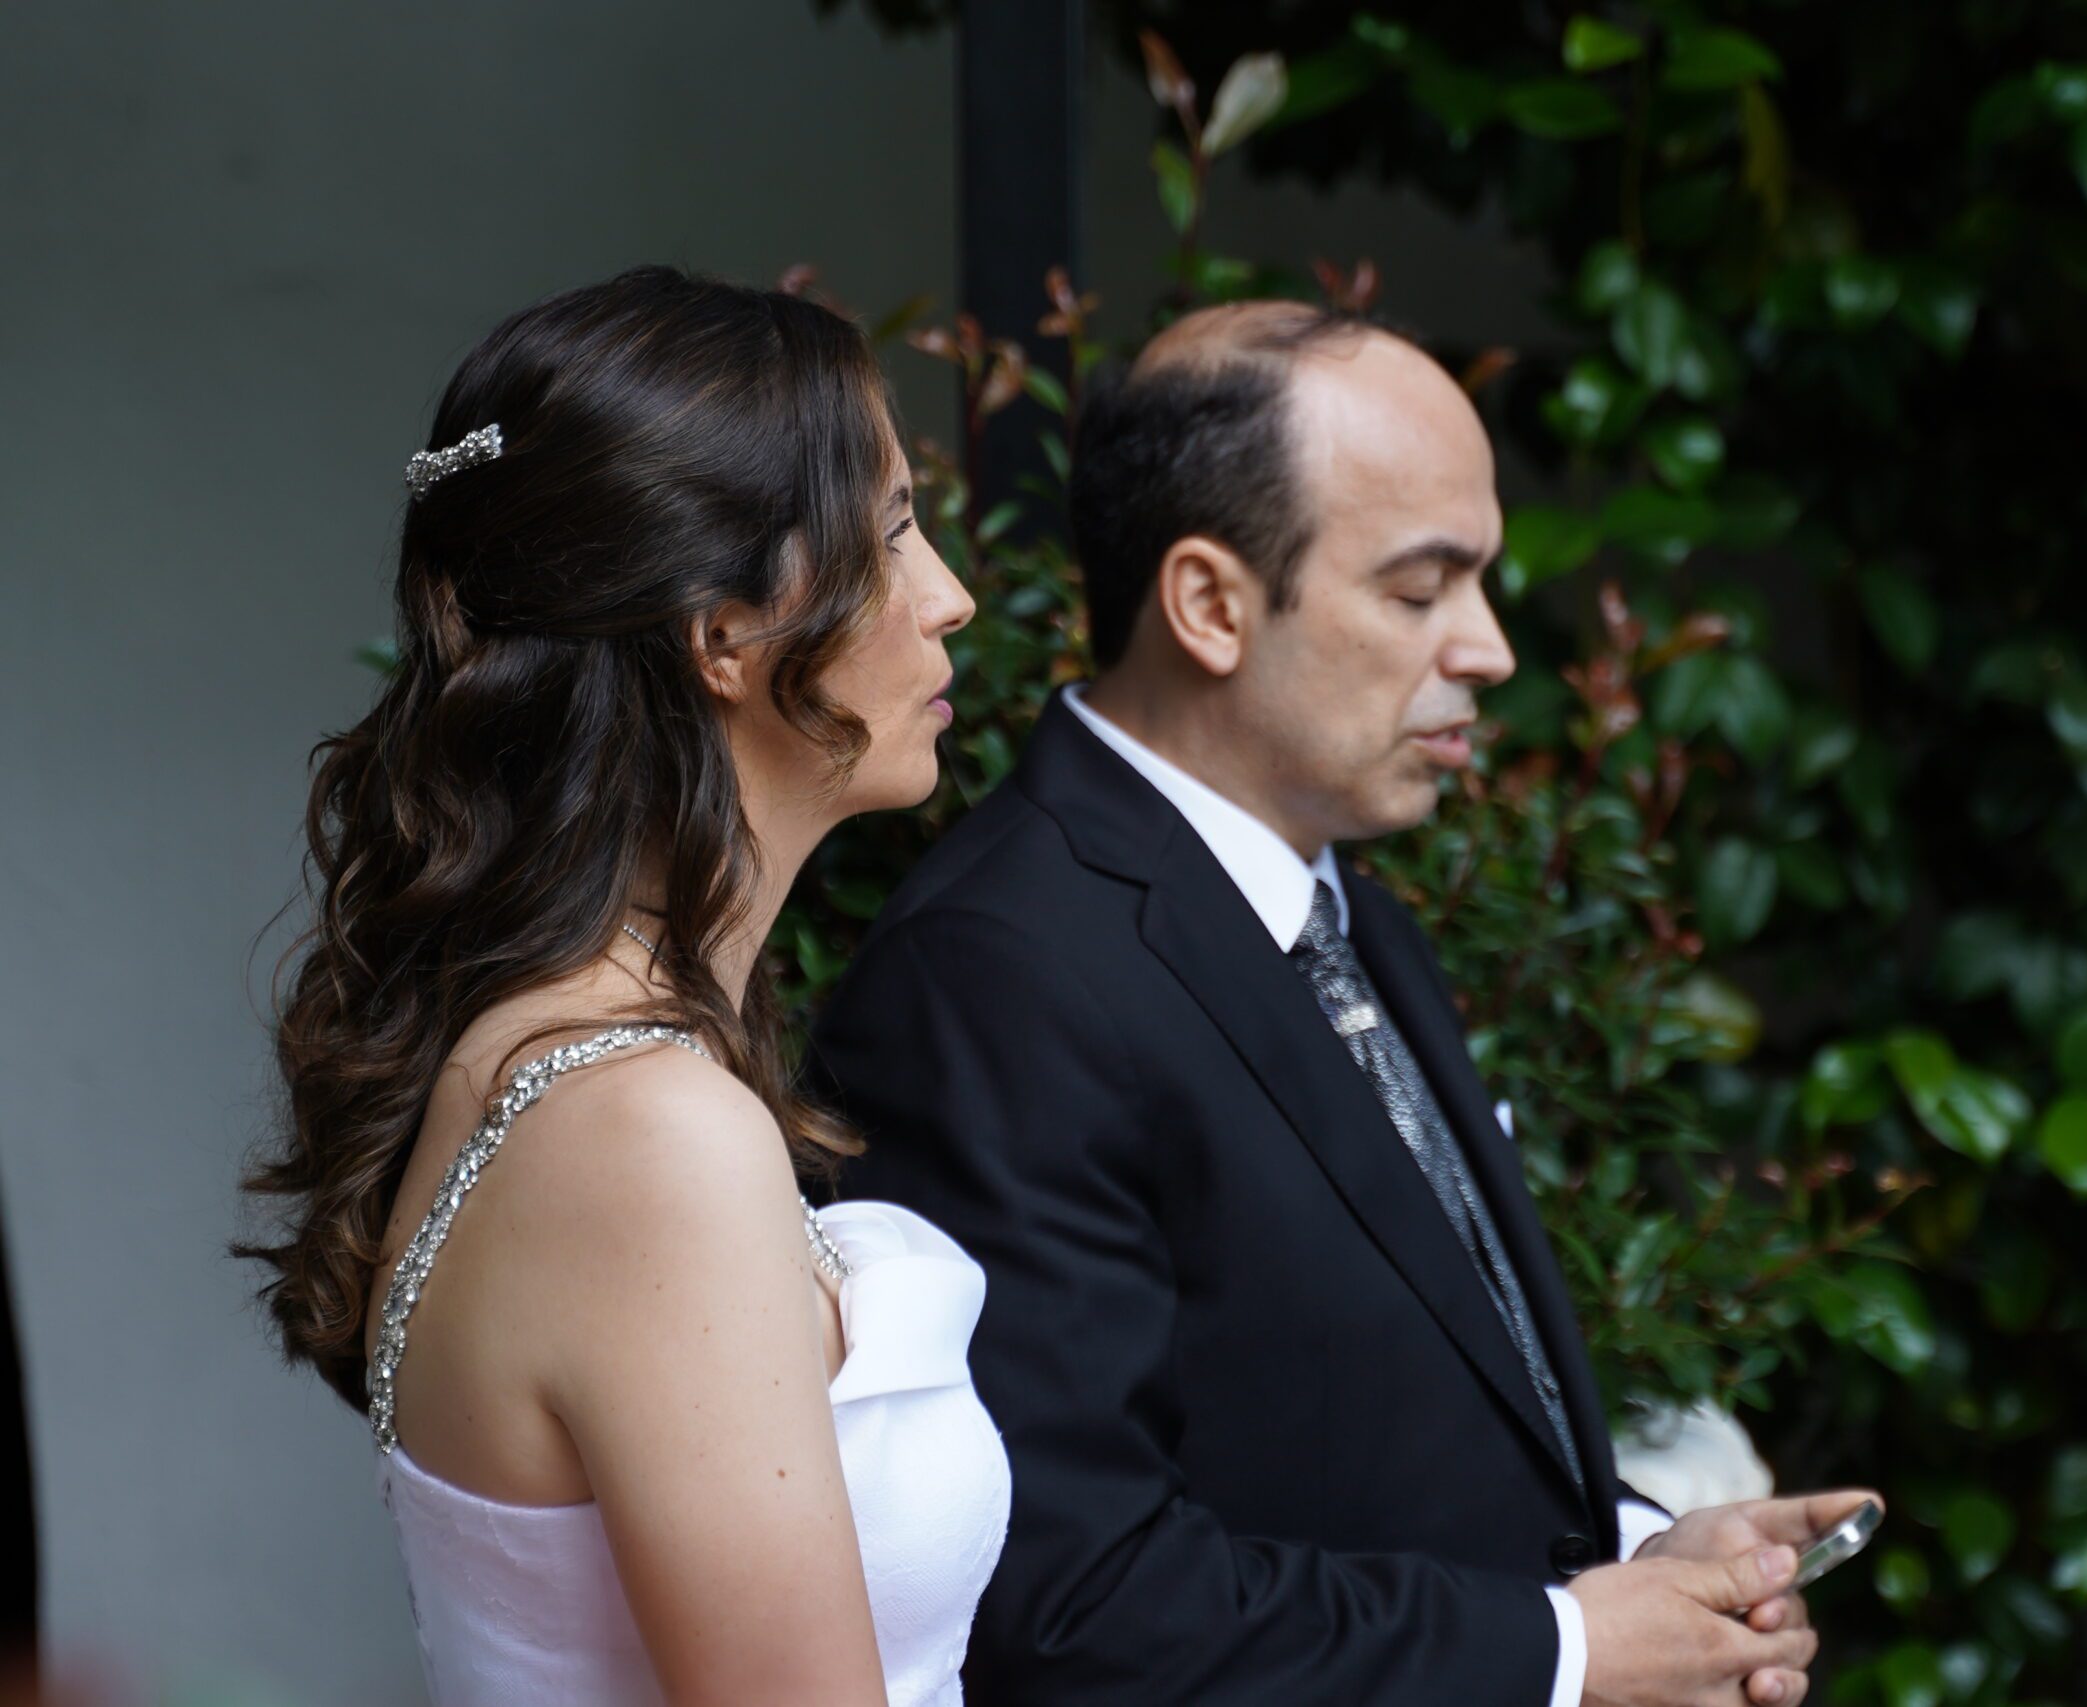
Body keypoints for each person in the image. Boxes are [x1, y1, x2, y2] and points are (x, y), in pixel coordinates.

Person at [807, 301, 1881, 1707]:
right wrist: (1569, 1652)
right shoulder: (996, 973)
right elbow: (1069, 1601)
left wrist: (1644, 1562)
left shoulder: (1344, 907)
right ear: (1209, 605)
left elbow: (1386, 1436)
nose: (1490, 650)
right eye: (1422, 591)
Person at [238, 266, 1000, 1707]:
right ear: (721, 638)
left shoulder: (549, 1058)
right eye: (894, 532)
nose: (949, 598)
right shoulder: (643, 1132)